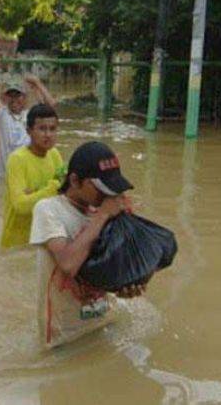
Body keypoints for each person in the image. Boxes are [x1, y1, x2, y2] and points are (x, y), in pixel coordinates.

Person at [30, 141, 145, 349]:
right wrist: (102, 215)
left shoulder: (107, 211)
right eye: (102, 189)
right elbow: (67, 263)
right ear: (74, 180)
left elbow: (122, 263)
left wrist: (128, 284)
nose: (108, 196)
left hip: (106, 324)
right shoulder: (48, 209)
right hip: (63, 337)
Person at [1, 103, 65, 248]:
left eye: (52, 129)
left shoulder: (54, 154)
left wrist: (35, 193)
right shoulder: (17, 159)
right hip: (16, 242)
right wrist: (53, 187)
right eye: (42, 129)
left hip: (43, 236)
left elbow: (64, 191)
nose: (48, 135)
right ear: (28, 131)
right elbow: (21, 205)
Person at [0, 58, 57, 178]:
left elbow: (51, 108)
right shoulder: (2, 116)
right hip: (5, 176)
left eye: (18, 95)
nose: (14, 99)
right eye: (10, 95)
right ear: (4, 97)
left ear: (25, 97)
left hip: (27, 174)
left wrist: (37, 83)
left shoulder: (31, 115)